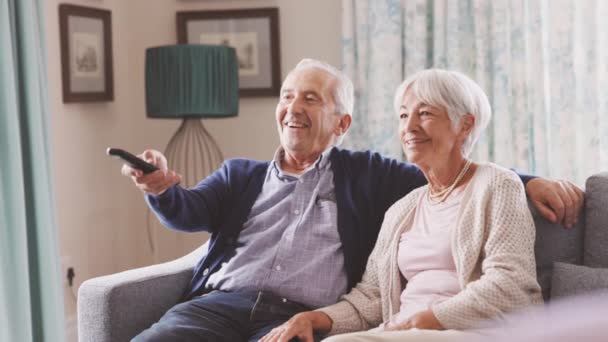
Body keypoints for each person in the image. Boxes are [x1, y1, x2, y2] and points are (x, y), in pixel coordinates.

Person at [123, 59, 583, 342]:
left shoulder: (369, 176)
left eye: (310, 98)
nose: (293, 108)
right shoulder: (240, 174)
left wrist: (531, 181)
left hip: (293, 313)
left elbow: (462, 175)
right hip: (217, 305)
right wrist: (162, 190)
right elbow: (191, 211)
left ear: (341, 125)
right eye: (287, 96)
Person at [260, 69, 544, 342]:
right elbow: (372, 298)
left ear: (465, 125)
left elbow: (510, 285)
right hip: (405, 331)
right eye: (404, 115)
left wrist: (427, 319)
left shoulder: (497, 184)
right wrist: (311, 318)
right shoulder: (403, 209)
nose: (409, 127)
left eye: (425, 114)